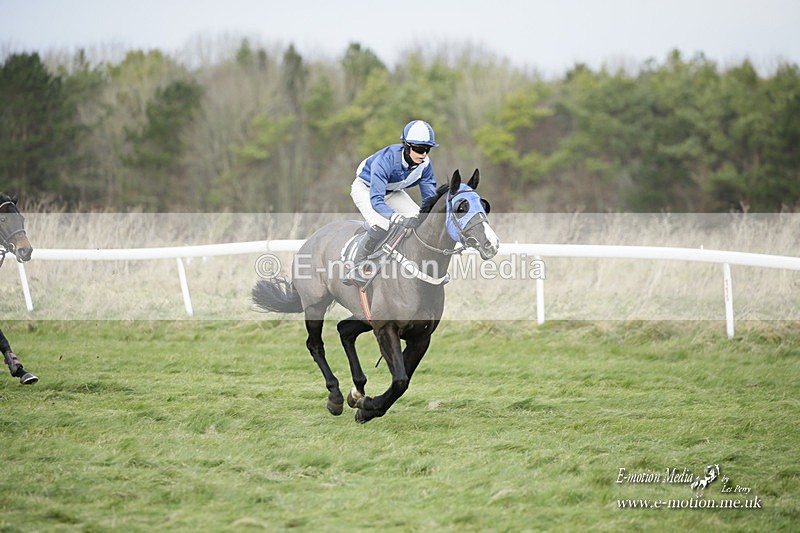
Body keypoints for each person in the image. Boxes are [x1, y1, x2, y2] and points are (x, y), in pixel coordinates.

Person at [343, 120, 439, 286]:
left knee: (418, 220)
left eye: (427, 149)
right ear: (407, 146)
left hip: (393, 192)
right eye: (419, 149)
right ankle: (355, 267)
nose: (423, 154)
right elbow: (376, 200)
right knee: (382, 224)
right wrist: (397, 218)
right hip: (366, 190)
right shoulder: (385, 160)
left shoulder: (425, 164)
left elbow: (430, 199)